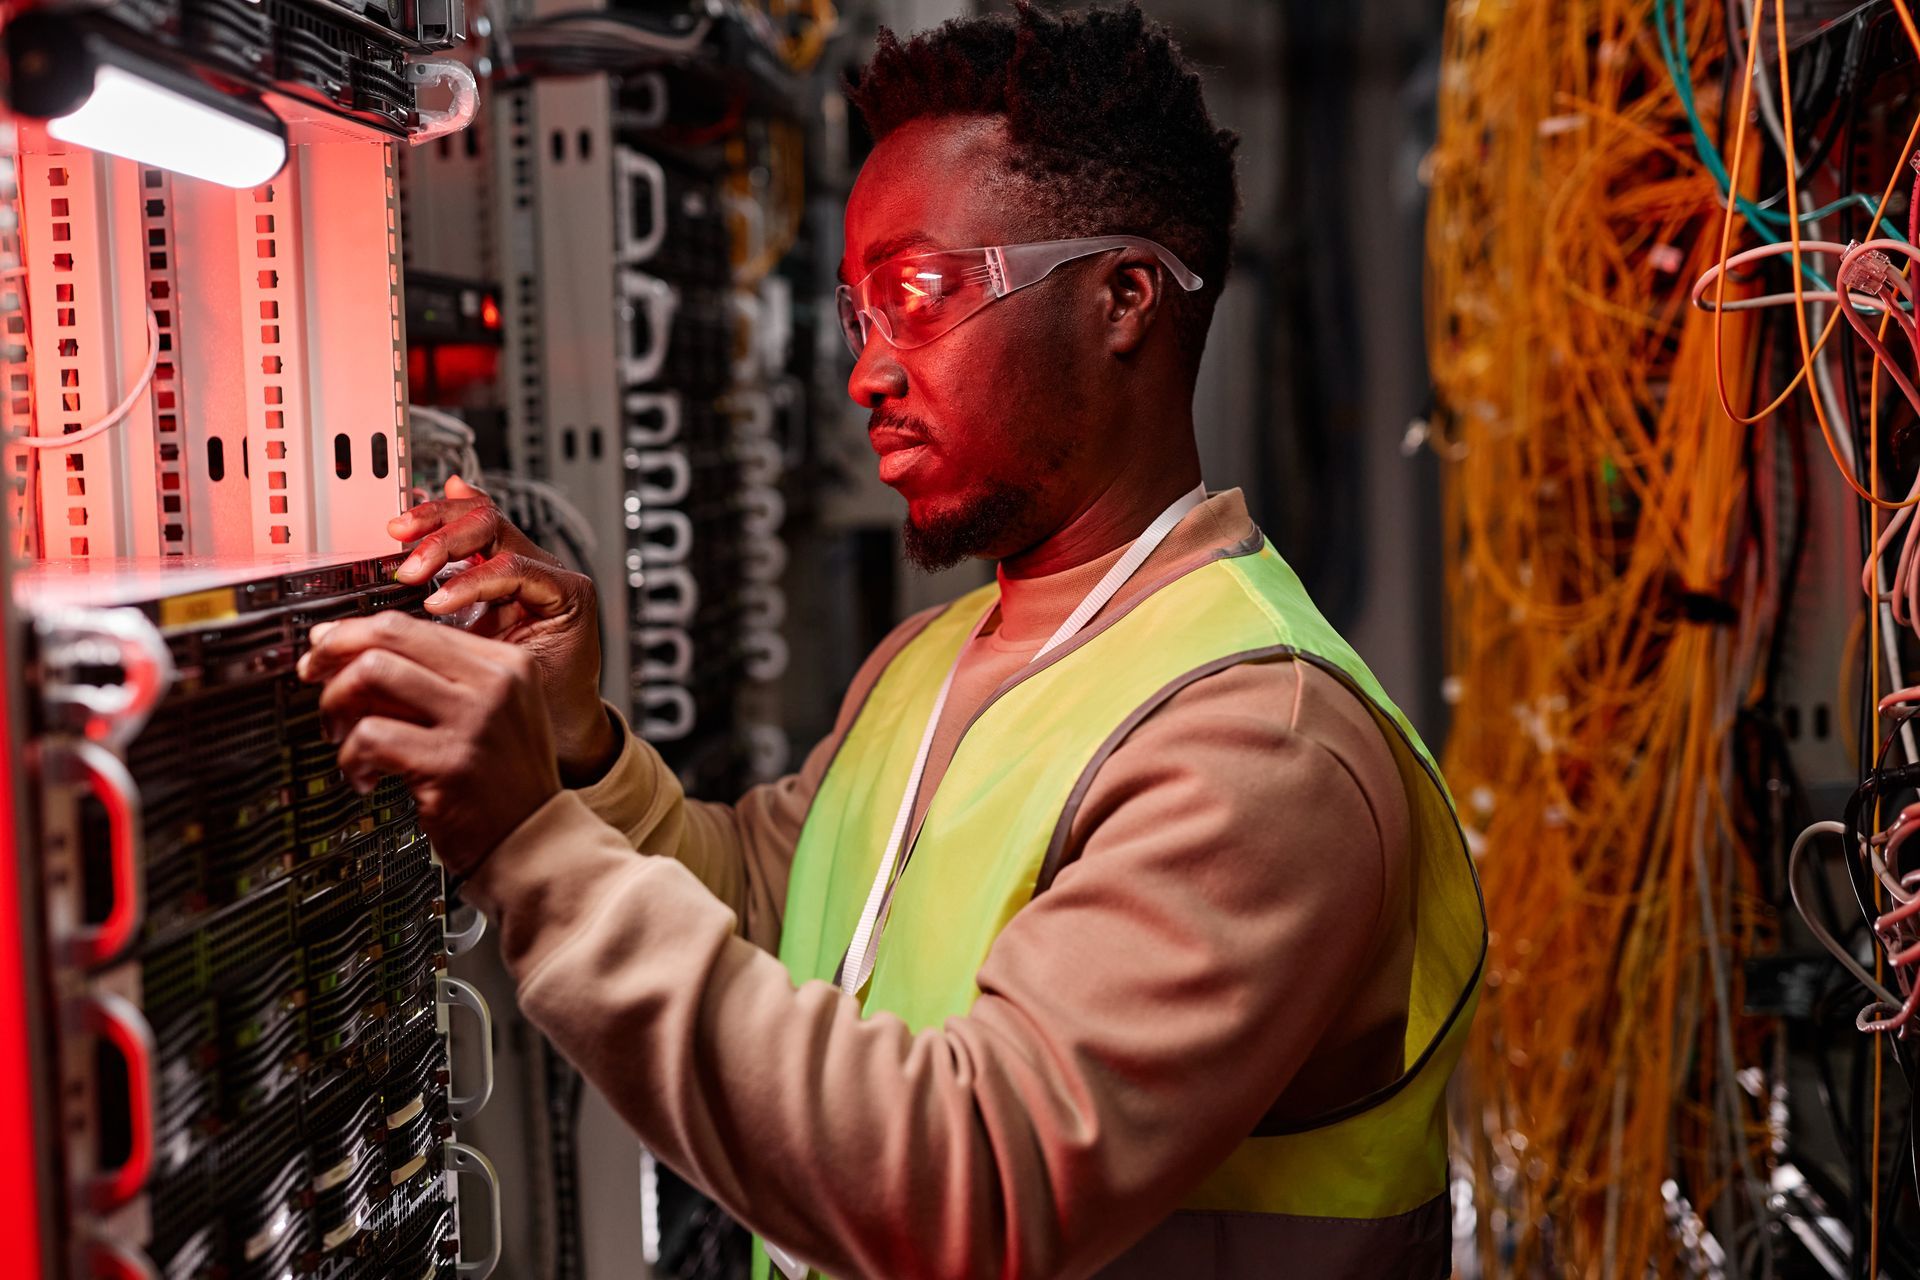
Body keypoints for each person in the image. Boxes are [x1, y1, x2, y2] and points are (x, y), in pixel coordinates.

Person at [298, 4, 1485, 1276]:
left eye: (918, 294)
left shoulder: (1259, 744)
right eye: (861, 315)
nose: (865, 373)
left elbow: (969, 1181)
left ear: (1123, 299)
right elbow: (774, 920)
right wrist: (577, 748)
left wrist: (527, 838)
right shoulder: (937, 657)